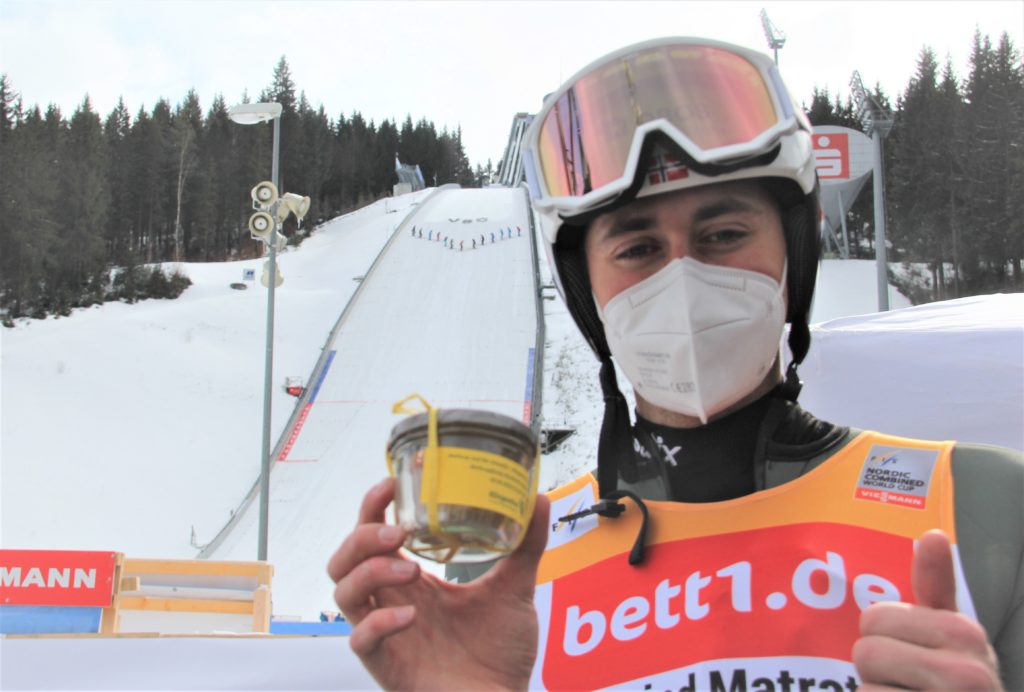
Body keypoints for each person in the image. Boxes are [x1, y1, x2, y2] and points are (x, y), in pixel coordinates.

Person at [328, 37, 1022, 690]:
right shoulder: (513, 571)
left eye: (723, 234)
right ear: (588, 294)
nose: (683, 279)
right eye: (637, 250)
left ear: (794, 258)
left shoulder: (980, 510)